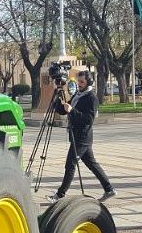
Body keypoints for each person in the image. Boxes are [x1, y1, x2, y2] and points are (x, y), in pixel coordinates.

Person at [49, 71, 116, 203]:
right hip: (76, 135)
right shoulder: (77, 95)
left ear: (89, 82)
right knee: (92, 164)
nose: (79, 85)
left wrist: (72, 110)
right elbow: (63, 110)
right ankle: (109, 189)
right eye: (78, 81)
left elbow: (88, 119)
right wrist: (57, 96)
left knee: (70, 165)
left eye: (82, 82)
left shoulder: (91, 98)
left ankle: (60, 195)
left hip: (82, 137)